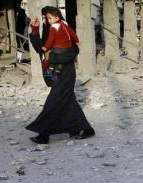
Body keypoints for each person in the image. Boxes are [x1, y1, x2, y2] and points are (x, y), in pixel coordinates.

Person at [26, 7, 95, 144]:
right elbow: (40, 49)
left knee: (53, 102)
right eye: (44, 18)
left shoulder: (64, 31)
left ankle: (43, 134)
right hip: (54, 72)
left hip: (66, 73)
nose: (46, 20)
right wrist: (35, 30)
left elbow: (72, 53)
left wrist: (51, 56)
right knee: (68, 103)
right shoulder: (49, 32)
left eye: (48, 17)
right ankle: (83, 129)